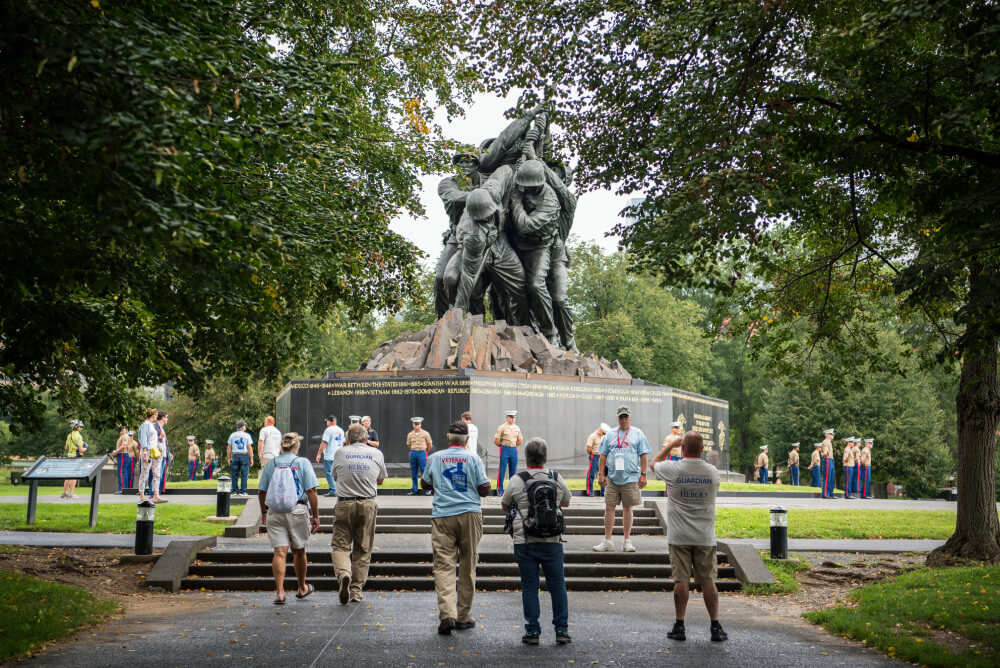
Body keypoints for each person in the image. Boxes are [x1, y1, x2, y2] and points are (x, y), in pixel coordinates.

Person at [652, 431, 728, 643]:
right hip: (704, 536)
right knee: (708, 581)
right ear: (702, 449)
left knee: (681, 579)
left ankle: (680, 625)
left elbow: (654, 463)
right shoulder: (713, 472)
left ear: (683, 448)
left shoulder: (673, 469)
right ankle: (715, 626)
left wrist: (670, 446)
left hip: (679, 536)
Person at [421, 421, 491, 635]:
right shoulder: (473, 458)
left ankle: (447, 614)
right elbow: (485, 489)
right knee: (468, 564)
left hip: (443, 516)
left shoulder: (435, 458)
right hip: (470, 514)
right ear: (467, 439)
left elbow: (425, 484)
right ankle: (463, 616)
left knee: (443, 566)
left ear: (448, 437)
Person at [501, 437, 572, 645]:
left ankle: (532, 631)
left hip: (525, 540)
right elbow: (566, 501)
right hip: (552, 539)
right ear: (545, 457)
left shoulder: (517, 479)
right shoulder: (555, 477)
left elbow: (504, 505)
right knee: (557, 584)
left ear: (526, 457)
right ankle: (561, 630)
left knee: (530, 586)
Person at [257, 432, 320, 604]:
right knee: (299, 550)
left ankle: (280, 592)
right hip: (297, 510)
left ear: (281, 446)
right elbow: (311, 491)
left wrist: (263, 511)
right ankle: (301, 587)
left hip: (275, 512)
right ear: (296, 446)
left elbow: (262, 491)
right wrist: (315, 516)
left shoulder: (271, 464)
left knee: (279, 552)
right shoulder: (302, 463)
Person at [332, 424, 388, 604]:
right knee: (363, 548)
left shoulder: (341, 453)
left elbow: (335, 476)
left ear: (348, 438)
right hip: (367, 503)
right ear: (366, 438)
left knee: (340, 546)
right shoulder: (377, 454)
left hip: (344, 502)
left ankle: (343, 575)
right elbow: (380, 479)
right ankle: (356, 590)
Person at [509, 160, 561, 346]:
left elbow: (526, 225)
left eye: (532, 187)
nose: (527, 190)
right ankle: (523, 330)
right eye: (525, 187)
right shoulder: (520, 183)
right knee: (515, 288)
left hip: (539, 246)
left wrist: (515, 201)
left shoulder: (550, 201)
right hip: (515, 243)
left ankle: (550, 332)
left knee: (536, 286)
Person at [593, 405, 651, 553]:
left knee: (627, 508)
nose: (623, 419)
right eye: (621, 417)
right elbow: (603, 456)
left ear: (630, 417)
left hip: (631, 477)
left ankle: (627, 541)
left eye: (626, 416)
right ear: (617, 418)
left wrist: (643, 474)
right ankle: (608, 541)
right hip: (612, 477)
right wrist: (601, 474)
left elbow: (644, 455)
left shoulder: (637, 433)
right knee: (609, 507)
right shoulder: (610, 434)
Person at [436, 151, 484, 317]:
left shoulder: (486, 181)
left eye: (468, 162)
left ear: (477, 165)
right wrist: (482, 195)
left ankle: (479, 322)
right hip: (456, 237)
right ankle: (443, 318)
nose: (464, 166)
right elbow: (455, 198)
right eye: (461, 162)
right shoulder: (447, 184)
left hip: (482, 237)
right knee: (441, 278)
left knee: (477, 289)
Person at [494, 410, 523, 495]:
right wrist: (503, 446)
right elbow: (496, 440)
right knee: (502, 470)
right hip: (505, 448)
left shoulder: (517, 428)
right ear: (507, 418)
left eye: (514, 417)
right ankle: (500, 490)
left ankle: (511, 489)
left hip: (513, 448)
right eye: (511, 417)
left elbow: (520, 440)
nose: (512, 419)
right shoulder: (502, 427)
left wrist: (513, 445)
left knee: (513, 471)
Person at [227, 420, 254, 497]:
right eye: (244, 426)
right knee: (244, 474)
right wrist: (251, 458)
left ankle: (234, 491)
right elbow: (249, 447)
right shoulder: (247, 435)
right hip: (244, 455)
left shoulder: (232, 435)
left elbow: (229, 447)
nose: (245, 427)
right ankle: (242, 491)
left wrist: (229, 458)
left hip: (235, 455)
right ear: (242, 427)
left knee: (234, 474)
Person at [407, 417, 433, 495]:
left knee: (424, 471)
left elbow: (429, 444)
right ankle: (414, 489)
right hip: (413, 452)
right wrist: (414, 450)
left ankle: (428, 489)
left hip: (422, 452)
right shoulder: (410, 434)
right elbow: (409, 445)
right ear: (413, 425)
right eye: (415, 424)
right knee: (413, 471)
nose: (417, 425)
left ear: (420, 425)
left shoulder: (425, 433)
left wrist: (424, 451)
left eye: (418, 424)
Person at [584, 423, 610, 497]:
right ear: (600, 430)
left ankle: (603, 492)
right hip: (594, 455)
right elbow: (588, 448)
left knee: (603, 474)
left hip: (602, 456)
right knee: (591, 474)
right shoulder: (592, 436)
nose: (604, 434)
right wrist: (592, 454)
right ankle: (589, 492)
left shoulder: (603, 436)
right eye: (603, 432)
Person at [62, 420, 86, 498]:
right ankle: (71, 493)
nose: (81, 428)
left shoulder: (69, 435)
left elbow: (66, 447)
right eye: (80, 427)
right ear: (78, 427)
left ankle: (64, 493)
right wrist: (86, 448)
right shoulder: (79, 436)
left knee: (68, 475)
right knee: (74, 476)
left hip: (69, 456)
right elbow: (81, 450)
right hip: (76, 457)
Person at [151, 410, 172, 498]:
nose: (167, 419)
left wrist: (168, 452)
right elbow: (152, 440)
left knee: (160, 475)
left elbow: (164, 443)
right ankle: (153, 495)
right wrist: (160, 437)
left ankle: (157, 495)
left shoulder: (162, 428)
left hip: (163, 455)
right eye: (167, 417)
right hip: (157, 455)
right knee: (155, 475)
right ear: (163, 418)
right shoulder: (154, 427)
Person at [113, 427, 133, 494]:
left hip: (122, 455)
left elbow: (123, 446)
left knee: (121, 472)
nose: (121, 430)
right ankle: (125, 489)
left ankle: (121, 489)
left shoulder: (125, 436)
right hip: (122, 455)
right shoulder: (122, 436)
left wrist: (116, 451)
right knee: (123, 472)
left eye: (123, 428)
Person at [820, 429, 835, 498]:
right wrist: (823, 453)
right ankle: (825, 494)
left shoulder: (829, 442)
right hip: (827, 460)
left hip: (830, 460)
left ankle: (830, 493)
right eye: (831, 434)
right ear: (827, 435)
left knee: (831, 478)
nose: (833, 435)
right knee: (827, 477)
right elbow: (824, 453)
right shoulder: (826, 442)